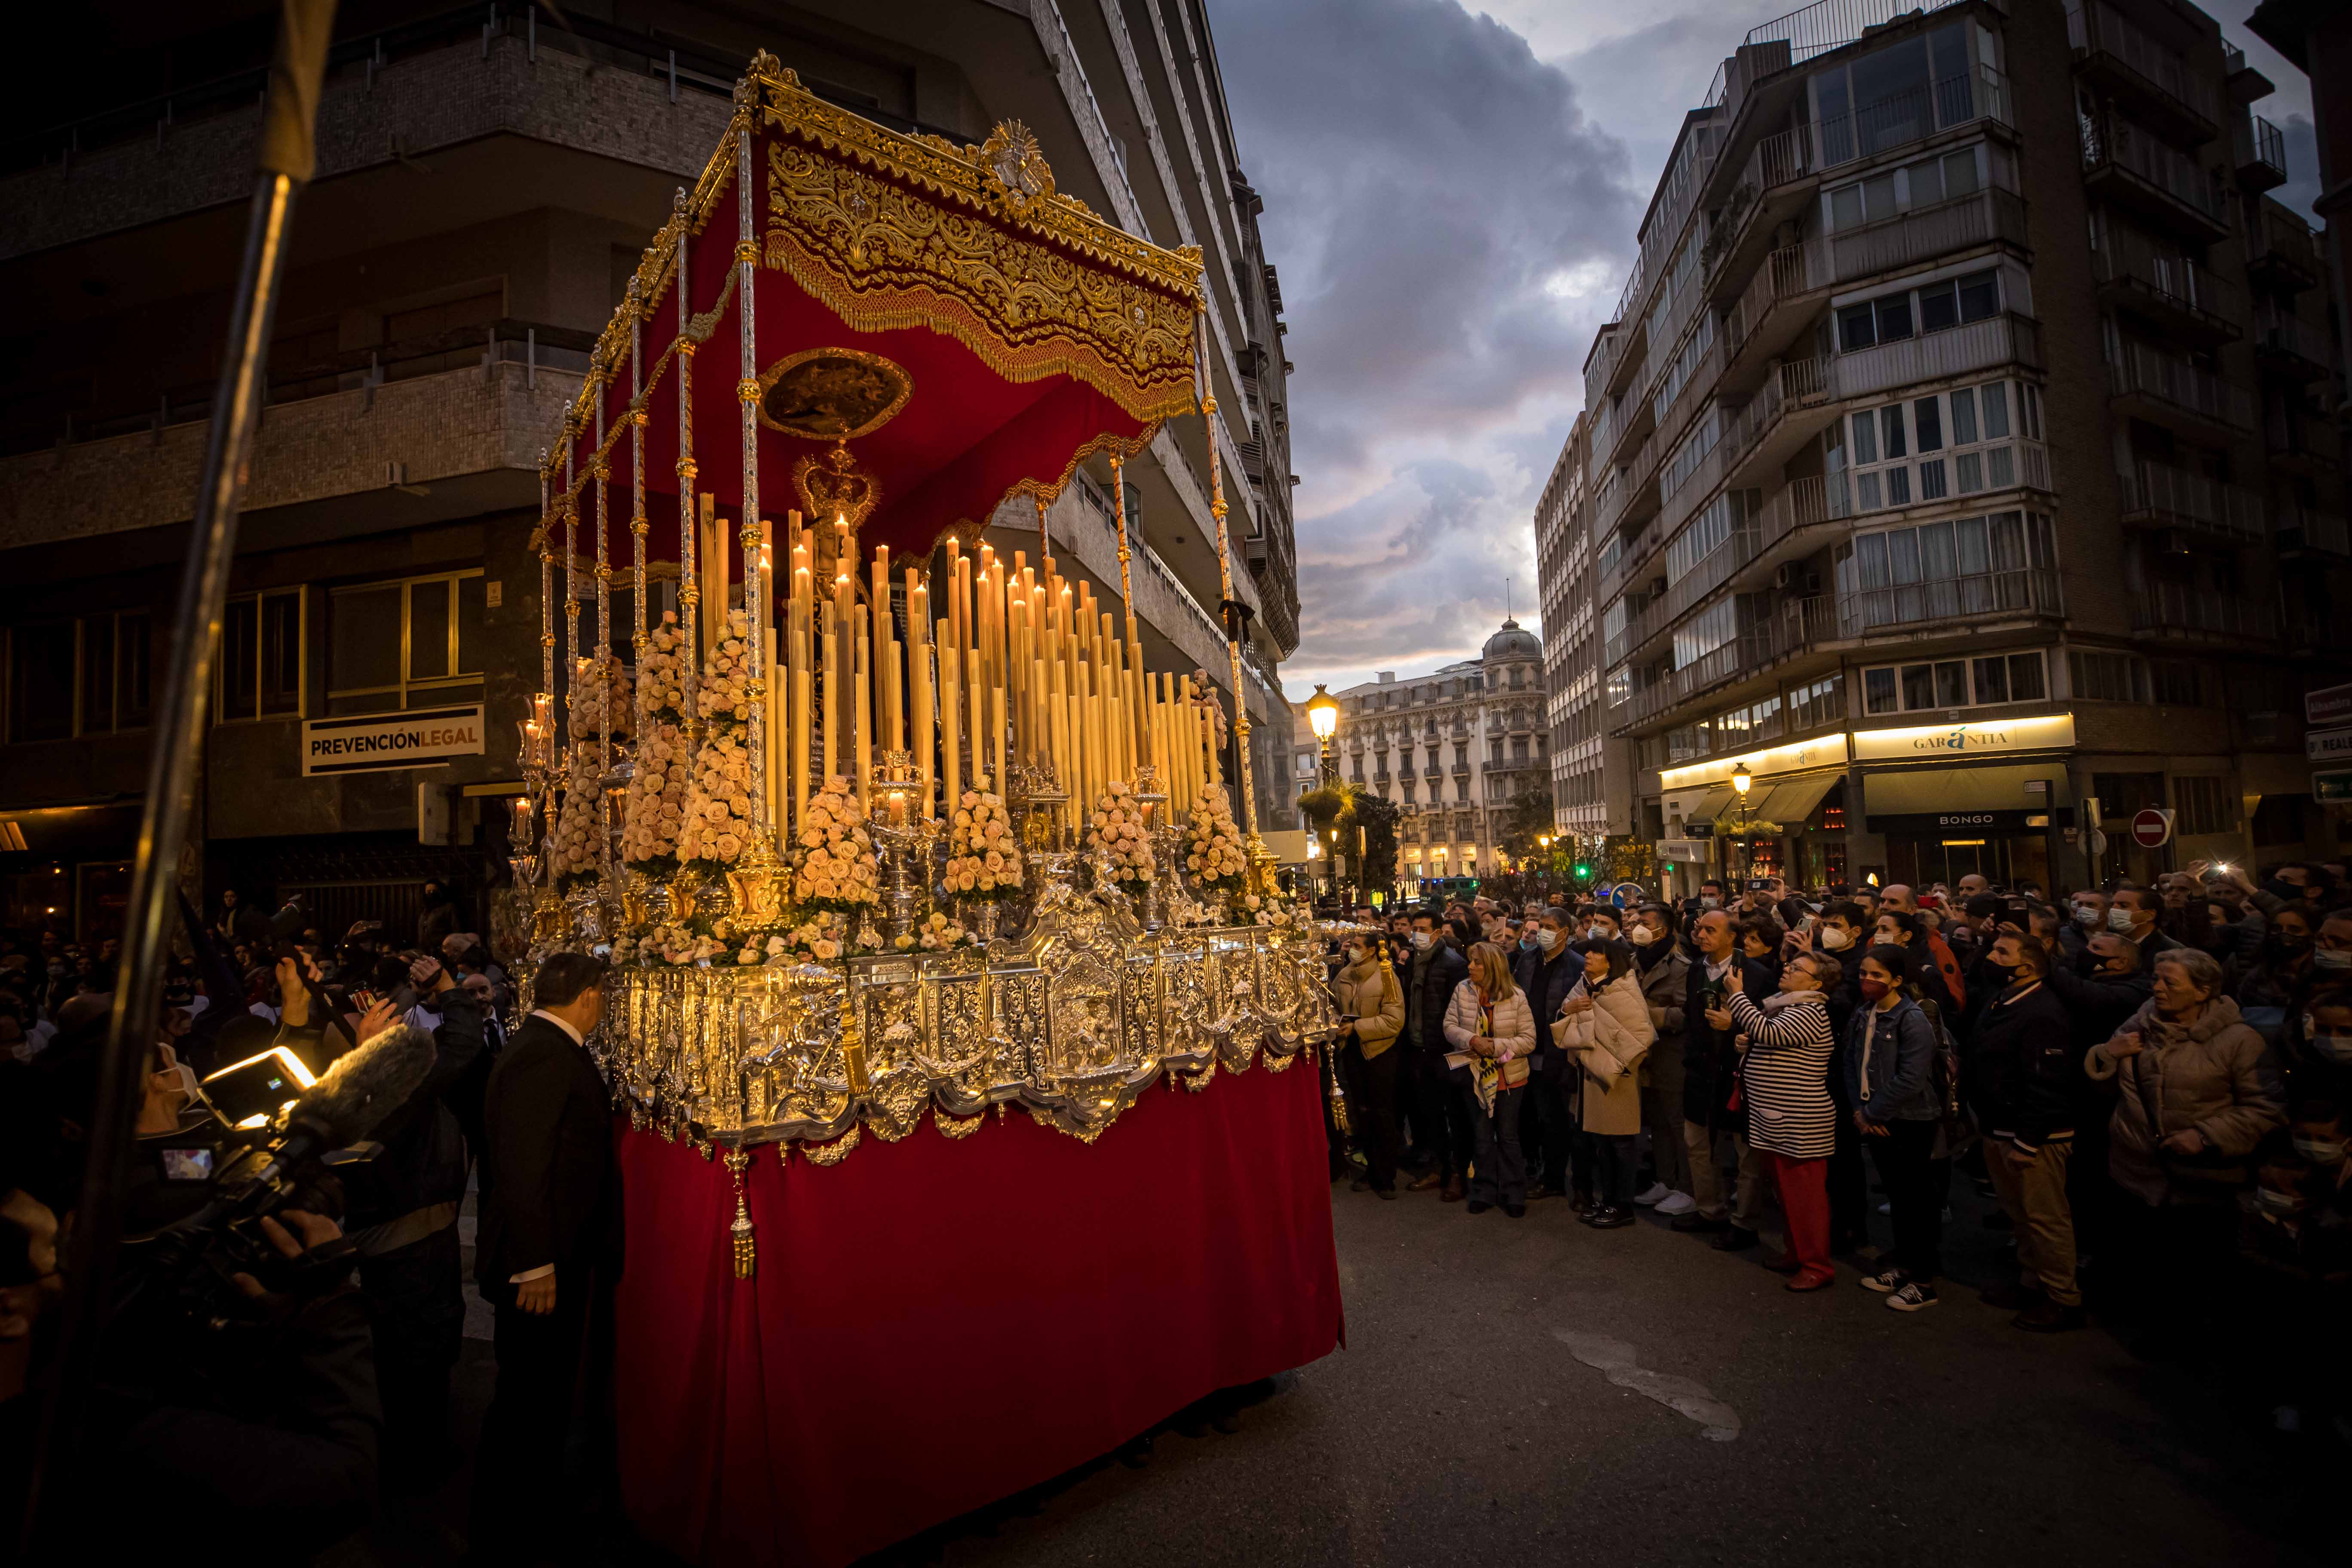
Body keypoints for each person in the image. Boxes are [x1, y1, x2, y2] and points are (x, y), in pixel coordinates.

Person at [471, 951, 622, 1555]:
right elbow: (523, 1165)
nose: (605, 1007)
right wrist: (535, 1263)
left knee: (541, 1393)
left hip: (553, 1255)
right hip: (538, 1264)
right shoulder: (542, 1053)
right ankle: (510, 1526)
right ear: (586, 995)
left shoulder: (545, 1046)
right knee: (529, 1398)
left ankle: (527, 1511)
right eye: (604, 996)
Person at [2085, 947, 2287, 1361]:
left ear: (2203, 991)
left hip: (2198, 1179)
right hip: (2135, 1168)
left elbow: (2266, 1108)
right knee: (2148, 1259)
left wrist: (2206, 1135)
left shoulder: (2239, 1041)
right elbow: (2109, 1083)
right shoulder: (2141, 1024)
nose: (2157, 988)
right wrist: (2108, 1056)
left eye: (2170, 982)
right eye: (2157, 980)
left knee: (2193, 1265)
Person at [1967, 933, 2083, 1330]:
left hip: (2033, 1136)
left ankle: (2062, 1297)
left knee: (2045, 1218)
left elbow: (2047, 1082)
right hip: (2000, 1127)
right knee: (2021, 1215)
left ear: (2029, 967)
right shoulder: (2002, 1000)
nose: (1992, 957)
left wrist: (2029, 1139)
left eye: (2003, 953)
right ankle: (2032, 1281)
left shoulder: (2041, 1012)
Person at [1724, 950, 1841, 1289]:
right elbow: (1769, 1036)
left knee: (1805, 1199)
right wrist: (1749, 1043)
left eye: (1797, 968)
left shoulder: (1810, 1011)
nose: (1787, 969)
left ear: (1817, 983)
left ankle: (1817, 1266)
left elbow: (1770, 1033)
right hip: (1778, 1120)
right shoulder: (1788, 1008)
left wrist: (1736, 995)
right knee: (1787, 1196)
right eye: (1789, 965)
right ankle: (1796, 1253)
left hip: (1799, 1122)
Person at [1847, 945, 1943, 1311]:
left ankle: (1923, 1280)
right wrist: (1861, 1109)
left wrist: (1874, 1113)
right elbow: (1852, 1062)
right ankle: (1904, 1265)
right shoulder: (1864, 1013)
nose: (1867, 981)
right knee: (1898, 1196)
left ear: (1898, 981)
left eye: (1877, 976)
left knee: (1916, 1199)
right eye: (1864, 974)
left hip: (1909, 1121)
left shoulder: (1912, 1019)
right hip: (1874, 1118)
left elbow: (1912, 1077)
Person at [1677, 909, 1773, 1249]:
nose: (1700, 935)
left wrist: (1733, 1025)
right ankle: (1709, 1209)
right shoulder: (1695, 970)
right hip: (1701, 1071)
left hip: (1739, 1073)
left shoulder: (1757, 973)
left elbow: (1769, 1025)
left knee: (1746, 1152)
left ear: (1733, 937)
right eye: (1699, 929)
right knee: (1698, 1143)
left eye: (1710, 931)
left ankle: (1745, 1222)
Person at [1554, 937, 1654, 1229]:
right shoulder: (1584, 984)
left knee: (1620, 1146)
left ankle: (1622, 1205)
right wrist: (1569, 1011)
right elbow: (1565, 1019)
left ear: (1611, 960)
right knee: (1602, 1146)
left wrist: (1613, 1067)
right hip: (1588, 1079)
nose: (1589, 956)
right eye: (1588, 952)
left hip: (1616, 1080)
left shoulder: (1622, 989)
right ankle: (1608, 1200)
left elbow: (1641, 1037)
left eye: (1596, 953)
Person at [1443, 942, 1537, 1217]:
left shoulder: (1516, 996)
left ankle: (1514, 1193)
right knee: (1482, 1137)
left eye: (1477, 962)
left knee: (1508, 1137)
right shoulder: (1462, 990)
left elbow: (1529, 1040)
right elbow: (1449, 1027)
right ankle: (1484, 1191)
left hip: (1509, 1077)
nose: (1470, 966)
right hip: (1475, 1076)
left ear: (1493, 967)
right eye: (1471, 961)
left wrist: (1494, 1047)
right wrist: (1472, 1039)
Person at [1515, 908, 1584, 1206]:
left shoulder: (1576, 966)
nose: (1542, 932)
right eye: (1540, 926)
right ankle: (1531, 1169)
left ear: (1565, 933)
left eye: (1549, 927)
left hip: (1556, 1054)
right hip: (1525, 1051)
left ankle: (1555, 1179)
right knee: (1527, 1117)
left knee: (1556, 1121)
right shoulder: (1527, 960)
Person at [1400, 912, 1471, 1199]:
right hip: (1419, 1049)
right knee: (1430, 1115)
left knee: (1454, 1114)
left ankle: (1457, 1173)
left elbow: (1460, 1010)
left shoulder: (1453, 964)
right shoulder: (1414, 961)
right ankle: (1438, 1167)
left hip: (1445, 1050)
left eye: (1422, 929)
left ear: (1437, 933)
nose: (1416, 934)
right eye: (1414, 929)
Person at [1628, 904, 1692, 1214]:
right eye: (1636, 921)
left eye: (1644, 922)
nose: (1636, 926)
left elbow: (1687, 1014)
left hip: (1670, 1053)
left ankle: (1689, 1188)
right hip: (1644, 1054)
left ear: (1663, 930)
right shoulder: (1633, 961)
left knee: (1677, 1123)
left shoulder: (1680, 966)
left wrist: (1648, 1016)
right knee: (1657, 1122)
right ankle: (1666, 1181)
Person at [1332, 933, 1406, 1199]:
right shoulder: (1344, 975)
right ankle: (1371, 1169)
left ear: (1373, 950)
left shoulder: (1387, 977)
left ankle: (1386, 1176)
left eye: (1358, 947)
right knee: (1362, 1112)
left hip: (1379, 1051)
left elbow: (1394, 1021)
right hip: (1352, 1051)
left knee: (1382, 1114)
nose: (1352, 950)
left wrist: (1358, 1027)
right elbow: (1334, 1005)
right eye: (1351, 945)